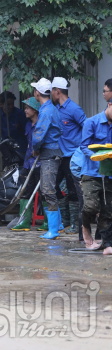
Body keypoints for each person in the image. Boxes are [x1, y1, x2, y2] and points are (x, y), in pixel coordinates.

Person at [51, 77, 87, 234]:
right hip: (59, 156)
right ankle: (65, 220)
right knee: (54, 186)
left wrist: (82, 149)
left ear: (57, 91)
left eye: (52, 91)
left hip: (73, 156)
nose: (51, 94)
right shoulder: (57, 110)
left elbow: (87, 128)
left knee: (73, 189)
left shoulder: (74, 109)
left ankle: (74, 223)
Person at [30, 78, 64, 240]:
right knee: (50, 189)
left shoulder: (45, 111)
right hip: (53, 152)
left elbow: (38, 137)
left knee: (48, 191)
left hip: (49, 154)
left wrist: (35, 149)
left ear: (37, 93)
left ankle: (53, 229)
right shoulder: (52, 109)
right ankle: (58, 225)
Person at [79, 99, 112, 254]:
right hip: (92, 173)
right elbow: (84, 146)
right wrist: (96, 156)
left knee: (108, 209)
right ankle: (85, 228)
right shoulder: (91, 122)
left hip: (109, 174)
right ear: (109, 105)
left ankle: (107, 244)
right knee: (91, 206)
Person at [10, 97, 42, 231]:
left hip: (40, 163)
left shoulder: (42, 124)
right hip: (28, 162)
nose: (25, 111)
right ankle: (24, 221)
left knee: (45, 192)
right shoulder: (28, 125)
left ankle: (47, 222)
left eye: (28, 108)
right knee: (25, 191)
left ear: (35, 110)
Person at [0, 91, 28, 156]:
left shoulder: (20, 114)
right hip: (4, 150)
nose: (11, 106)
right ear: (1, 104)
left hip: (19, 150)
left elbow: (27, 130)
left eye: (12, 104)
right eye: (8, 104)